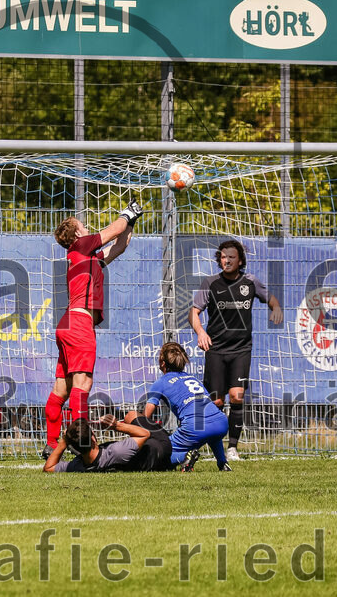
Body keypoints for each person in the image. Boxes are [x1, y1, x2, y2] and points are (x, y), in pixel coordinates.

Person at [42, 201, 143, 459]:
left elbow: (120, 245)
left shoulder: (87, 256)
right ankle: (83, 445)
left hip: (69, 323)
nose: (87, 228)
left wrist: (131, 221)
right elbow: (112, 231)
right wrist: (128, 213)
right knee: (82, 385)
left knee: (60, 390)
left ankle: (52, 443)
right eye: (83, 226)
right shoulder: (81, 245)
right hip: (79, 323)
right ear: (76, 233)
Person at [189, 239, 282, 461]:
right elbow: (194, 312)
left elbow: (271, 298)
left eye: (231, 257)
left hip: (241, 348)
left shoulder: (250, 282)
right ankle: (214, 446)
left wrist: (276, 308)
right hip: (216, 349)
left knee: (237, 396)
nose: (227, 260)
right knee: (217, 401)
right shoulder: (210, 283)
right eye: (223, 257)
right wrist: (201, 332)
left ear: (240, 260)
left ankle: (232, 447)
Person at [143, 342, 231, 472]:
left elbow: (146, 416)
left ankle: (184, 457)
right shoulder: (193, 378)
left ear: (162, 362)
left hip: (196, 427)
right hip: (221, 422)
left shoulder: (160, 383)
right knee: (212, 433)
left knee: (161, 454)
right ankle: (223, 463)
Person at [43, 412, 172, 473]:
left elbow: (48, 468)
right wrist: (116, 426)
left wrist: (63, 442)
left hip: (148, 454)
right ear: (93, 439)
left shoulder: (78, 466)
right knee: (130, 416)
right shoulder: (116, 451)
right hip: (160, 448)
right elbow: (145, 434)